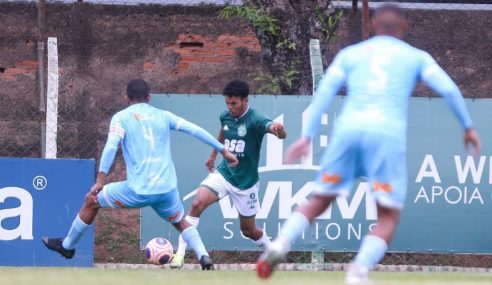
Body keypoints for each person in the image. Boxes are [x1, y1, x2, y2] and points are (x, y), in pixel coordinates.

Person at [256, 4, 481, 284]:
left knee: (319, 201)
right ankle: (359, 269)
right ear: (404, 27)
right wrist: (468, 128)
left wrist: (307, 135)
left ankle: (281, 244)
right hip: (386, 135)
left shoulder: (351, 54)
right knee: (388, 216)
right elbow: (448, 88)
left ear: (373, 25)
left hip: (348, 131)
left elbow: (325, 90)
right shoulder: (415, 57)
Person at [42, 79, 238, 270]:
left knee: (91, 200)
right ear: (149, 97)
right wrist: (223, 150)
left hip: (137, 190)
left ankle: (67, 247)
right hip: (166, 189)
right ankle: (203, 255)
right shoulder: (164, 115)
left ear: (127, 98)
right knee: (180, 221)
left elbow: (111, 146)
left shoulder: (121, 117)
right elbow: (194, 130)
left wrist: (100, 179)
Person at [170, 79, 287, 269]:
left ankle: (272, 251)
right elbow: (223, 132)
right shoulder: (225, 116)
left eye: (234, 103)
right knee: (196, 203)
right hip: (224, 174)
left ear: (245, 100)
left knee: (248, 230)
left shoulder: (255, 118)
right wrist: (213, 154)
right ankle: (180, 255)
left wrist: (278, 130)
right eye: (227, 103)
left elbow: (273, 129)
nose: (230, 107)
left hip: (246, 183)